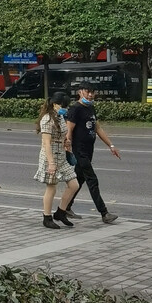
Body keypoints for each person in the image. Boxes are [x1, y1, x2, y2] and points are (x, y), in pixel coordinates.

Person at [61, 85, 120, 223]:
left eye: (92, 92)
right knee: (92, 180)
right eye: (88, 92)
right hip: (79, 150)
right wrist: (67, 146)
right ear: (80, 92)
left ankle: (65, 208)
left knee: (79, 180)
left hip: (88, 151)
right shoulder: (75, 109)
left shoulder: (90, 108)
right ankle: (104, 213)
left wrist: (111, 145)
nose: (90, 95)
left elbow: (97, 127)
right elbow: (69, 129)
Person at [34, 92, 77, 228]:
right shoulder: (47, 119)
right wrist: (51, 163)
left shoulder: (60, 116)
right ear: (54, 104)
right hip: (50, 157)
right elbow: (46, 143)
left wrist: (66, 141)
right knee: (51, 187)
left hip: (62, 156)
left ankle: (61, 212)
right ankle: (47, 217)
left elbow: (63, 133)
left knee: (74, 184)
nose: (65, 108)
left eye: (66, 106)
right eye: (62, 105)